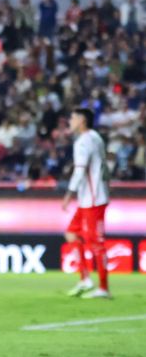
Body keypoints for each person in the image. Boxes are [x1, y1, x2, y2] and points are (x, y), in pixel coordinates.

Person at [63, 108, 111, 299]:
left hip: (93, 199)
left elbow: (80, 170)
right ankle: (85, 279)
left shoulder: (84, 141)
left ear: (82, 121)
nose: (70, 121)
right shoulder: (96, 137)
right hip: (88, 199)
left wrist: (68, 194)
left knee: (96, 243)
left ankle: (103, 288)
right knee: (71, 234)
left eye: (73, 118)